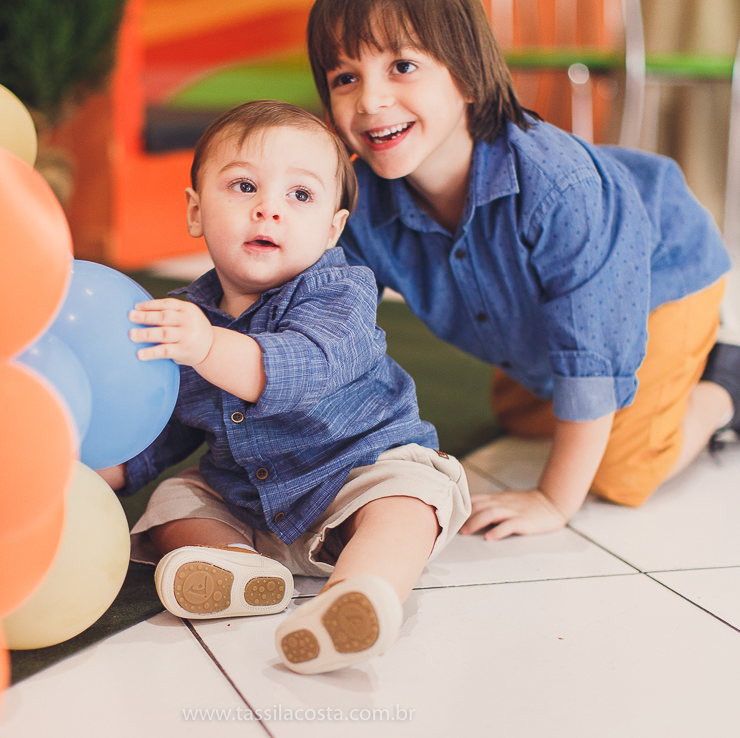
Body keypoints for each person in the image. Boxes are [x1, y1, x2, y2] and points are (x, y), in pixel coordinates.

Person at [305, 0, 740, 540]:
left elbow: (590, 354)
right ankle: (672, 377)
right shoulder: (363, 202)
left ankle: (731, 381)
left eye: (402, 66)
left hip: (658, 274)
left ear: (468, 74)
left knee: (622, 470)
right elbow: (332, 323)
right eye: (345, 77)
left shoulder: (558, 187)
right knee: (523, 415)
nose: (370, 100)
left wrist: (555, 500)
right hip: (548, 311)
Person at [96, 100, 470, 675]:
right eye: (243, 186)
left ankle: (359, 596)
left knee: (413, 498)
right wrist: (102, 471)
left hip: (360, 473)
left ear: (332, 228)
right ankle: (236, 568)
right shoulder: (185, 319)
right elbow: (163, 424)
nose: (268, 209)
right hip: (247, 498)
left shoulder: (341, 292)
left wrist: (208, 349)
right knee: (175, 500)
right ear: (196, 211)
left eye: (300, 196)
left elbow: (304, 367)